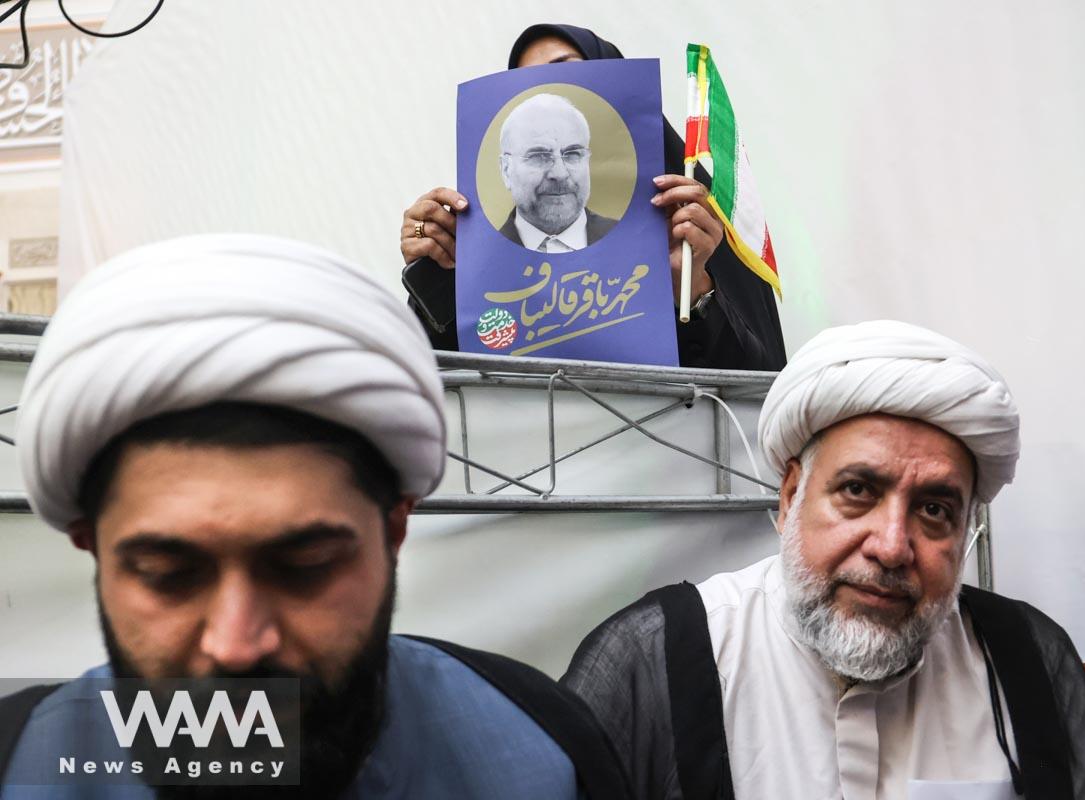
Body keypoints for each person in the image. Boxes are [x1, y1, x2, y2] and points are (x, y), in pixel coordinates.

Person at [0, 235, 629, 799]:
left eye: (304, 568)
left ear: (394, 531)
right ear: (91, 547)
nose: (237, 645)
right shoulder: (19, 763)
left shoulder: (543, 747)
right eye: (168, 573)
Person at [562, 320, 1085, 800]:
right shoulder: (655, 657)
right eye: (859, 491)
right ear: (791, 496)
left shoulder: (1025, 657)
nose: (892, 546)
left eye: (935, 510)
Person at [402, 23, 787, 371]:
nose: (556, 171)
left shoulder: (694, 223)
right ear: (505, 166)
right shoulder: (476, 252)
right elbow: (441, 380)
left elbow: (758, 390)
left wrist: (693, 289)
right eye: (537, 154)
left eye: (565, 71)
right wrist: (433, 272)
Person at [497, 93, 616, 251]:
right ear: (506, 170)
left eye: (573, 154)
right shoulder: (469, 257)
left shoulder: (637, 241)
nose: (560, 174)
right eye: (539, 156)